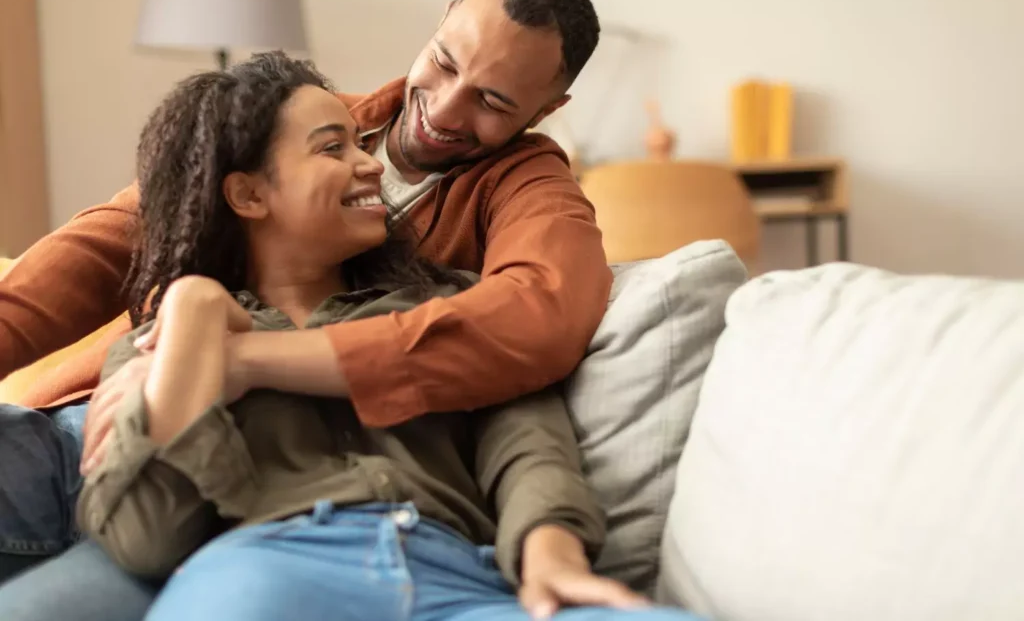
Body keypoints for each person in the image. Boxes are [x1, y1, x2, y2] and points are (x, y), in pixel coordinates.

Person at [4, 52, 699, 621]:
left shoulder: (452, 309)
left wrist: (551, 554)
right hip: (263, 573)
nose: (371, 163)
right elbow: (148, 536)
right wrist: (192, 308)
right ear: (249, 195)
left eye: (358, 141)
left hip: (461, 578)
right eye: (334, 148)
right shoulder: (159, 350)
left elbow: (530, 447)